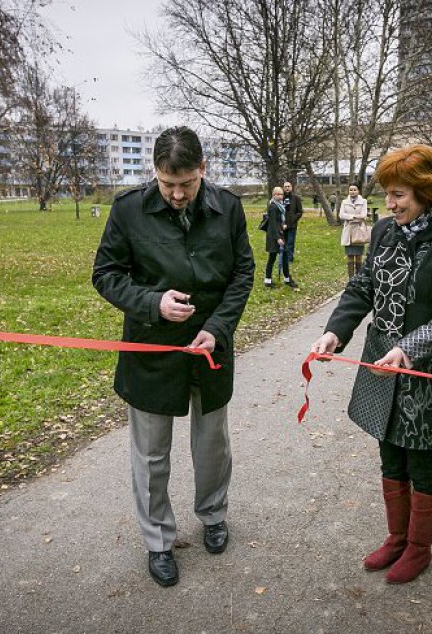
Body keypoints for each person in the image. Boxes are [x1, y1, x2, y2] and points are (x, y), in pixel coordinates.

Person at [92, 126, 255, 587]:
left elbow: (243, 273)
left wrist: (216, 328)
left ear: (203, 168)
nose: (178, 194)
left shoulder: (228, 208)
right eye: (168, 184)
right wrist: (152, 304)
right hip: (150, 349)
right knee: (151, 454)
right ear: (156, 174)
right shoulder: (128, 209)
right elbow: (105, 274)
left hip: (209, 348)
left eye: (186, 183)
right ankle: (159, 540)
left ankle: (213, 514)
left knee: (211, 445)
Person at [310, 144, 432, 584]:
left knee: (420, 459)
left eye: (399, 194)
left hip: (425, 368)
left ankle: (419, 548)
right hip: (380, 363)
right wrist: (336, 331)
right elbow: (362, 286)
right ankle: (396, 538)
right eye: (387, 193)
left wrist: (410, 347)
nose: (390, 203)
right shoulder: (384, 231)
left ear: (426, 192)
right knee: (389, 452)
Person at [264, 186, 297, 289]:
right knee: (272, 258)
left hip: (279, 233)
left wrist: (282, 225)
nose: (280, 196)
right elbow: (273, 224)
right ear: (274, 195)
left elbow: (278, 221)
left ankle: (287, 279)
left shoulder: (280, 206)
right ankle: (268, 281)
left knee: (285, 257)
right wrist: (278, 238)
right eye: (278, 194)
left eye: (281, 194)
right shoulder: (273, 206)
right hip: (274, 236)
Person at [339, 183, 369, 278]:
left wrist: (350, 217)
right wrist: (354, 216)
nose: (352, 192)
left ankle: (359, 277)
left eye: (354, 190)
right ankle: (351, 278)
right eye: (350, 190)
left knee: (359, 256)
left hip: (359, 231)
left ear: (358, 191)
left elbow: (364, 215)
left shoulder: (363, 201)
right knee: (350, 256)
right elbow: (341, 215)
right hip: (348, 231)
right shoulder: (344, 202)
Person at [282, 181, 304, 264]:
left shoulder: (296, 198)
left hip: (292, 225)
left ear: (291, 187)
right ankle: (283, 258)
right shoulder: (281, 198)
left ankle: (289, 259)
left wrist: (293, 219)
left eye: (288, 186)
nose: (287, 188)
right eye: (285, 186)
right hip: (282, 225)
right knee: (283, 242)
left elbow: (300, 212)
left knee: (290, 242)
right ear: (283, 188)